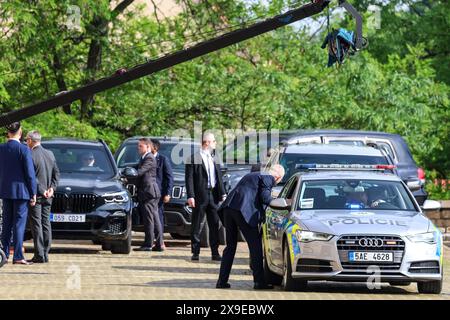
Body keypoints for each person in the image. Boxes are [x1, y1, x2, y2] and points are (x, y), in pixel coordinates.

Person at [216, 164, 285, 290]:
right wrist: (280, 202)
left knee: (230, 247)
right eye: (279, 181)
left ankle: (221, 281)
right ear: (278, 177)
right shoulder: (269, 178)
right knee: (255, 247)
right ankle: (259, 282)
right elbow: (265, 198)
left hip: (228, 209)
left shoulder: (254, 175)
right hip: (243, 211)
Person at [0, 122, 37, 265]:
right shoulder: (24, 149)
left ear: (8, 133)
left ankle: (3, 254)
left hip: (5, 190)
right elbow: (29, 173)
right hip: (21, 192)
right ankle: (17, 256)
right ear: (20, 132)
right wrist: (33, 192)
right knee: (19, 225)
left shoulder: (1, 148)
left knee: (6, 224)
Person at [185, 132, 226, 261]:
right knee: (197, 224)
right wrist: (190, 195)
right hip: (199, 195)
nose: (215, 144)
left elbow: (219, 176)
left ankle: (215, 252)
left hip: (213, 194)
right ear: (207, 143)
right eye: (214, 141)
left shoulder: (215, 157)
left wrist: (223, 193)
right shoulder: (193, 158)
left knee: (214, 224)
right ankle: (195, 252)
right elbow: (189, 179)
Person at [26, 130, 60, 263]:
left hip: (37, 195)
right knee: (46, 223)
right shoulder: (50, 154)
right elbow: (56, 174)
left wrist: (43, 190)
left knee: (36, 225)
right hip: (48, 195)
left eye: (26, 140)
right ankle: (45, 253)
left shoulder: (30, 154)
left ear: (30, 140)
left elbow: (31, 177)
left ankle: (39, 254)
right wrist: (52, 188)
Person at [134, 138, 163, 252]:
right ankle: (159, 244)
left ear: (148, 147)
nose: (138, 148)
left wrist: (131, 174)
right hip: (148, 192)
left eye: (140, 146)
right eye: (138, 145)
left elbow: (140, 171)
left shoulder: (149, 157)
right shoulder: (144, 157)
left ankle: (148, 244)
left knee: (149, 219)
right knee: (154, 219)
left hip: (149, 192)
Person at [150, 139, 174, 250]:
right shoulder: (144, 159)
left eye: (148, 145)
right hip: (147, 193)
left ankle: (160, 241)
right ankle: (151, 240)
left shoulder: (163, 160)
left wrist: (168, 193)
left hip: (159, 194)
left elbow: (169, 178)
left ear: (155, 148)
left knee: (158, 216)